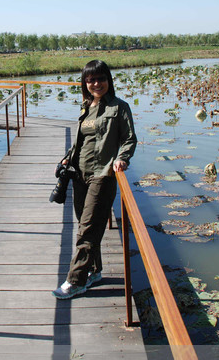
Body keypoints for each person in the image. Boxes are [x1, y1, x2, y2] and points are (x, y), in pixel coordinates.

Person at [52, 60, 137, 299]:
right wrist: (68, 159)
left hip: (103, 174)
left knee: (88, 228)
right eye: (90, 80)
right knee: (85, 224)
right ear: (85, 83)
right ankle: (95, 270)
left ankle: (76, 280)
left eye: (100, 79)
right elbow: (82, 141)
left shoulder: (120, 107)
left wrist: (122, 158)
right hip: (79, 174)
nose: (96, 84)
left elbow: (129, 138)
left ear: (108, 80)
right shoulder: (86, 107)